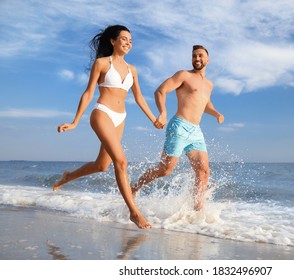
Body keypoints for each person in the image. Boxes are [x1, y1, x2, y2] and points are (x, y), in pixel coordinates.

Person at [54, 25, 163, 229]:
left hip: (120, 118)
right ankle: (134, 212)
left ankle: (67, 177)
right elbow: (88, 93)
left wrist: (153, 119)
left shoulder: (133, 70)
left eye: (130, 40)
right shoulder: (102, 63)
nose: (128, 43)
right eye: (123, 39)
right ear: (113, 41)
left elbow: (139, 97)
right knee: (121, 162)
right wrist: (75, 121)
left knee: (101, 165)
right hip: (102, 113)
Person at [132, 45, 224, 211]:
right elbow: (160, 91)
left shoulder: (209, 85)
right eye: (194, 56)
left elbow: (204, 103)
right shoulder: (184, 75)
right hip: (179, 126)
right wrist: (163, 113)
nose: (197, 59)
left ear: (208, 60)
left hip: (196, 131)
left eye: (200, 56)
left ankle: (198, 211)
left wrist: (216, 113)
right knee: (165, 169)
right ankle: (134, 187)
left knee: (203, 171)